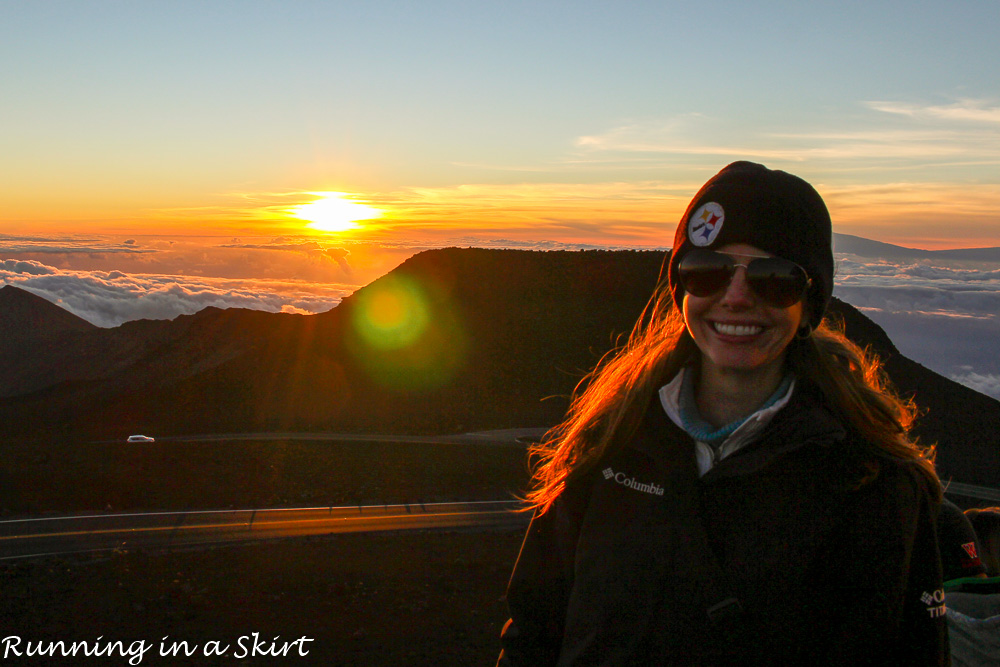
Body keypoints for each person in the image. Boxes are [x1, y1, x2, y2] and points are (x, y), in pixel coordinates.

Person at [498, 161, 949, 666]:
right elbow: (534, 631)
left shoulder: (872, 482)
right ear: (682, 288)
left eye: (773, 279)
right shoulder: (607, 441)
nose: (735, 298)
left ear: (809, 301)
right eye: (708, 272)